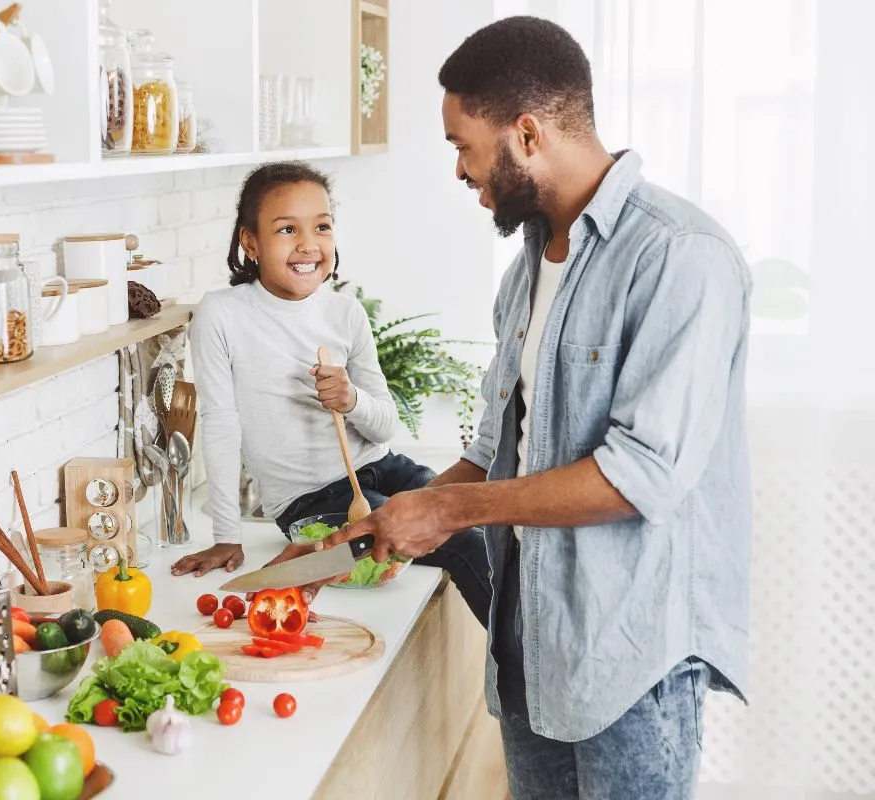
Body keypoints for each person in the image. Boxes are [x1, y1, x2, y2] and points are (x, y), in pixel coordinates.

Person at [325, 16, 752, 800]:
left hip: (632, 657)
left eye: (463, 144)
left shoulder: (679, 257)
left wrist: (449, 508)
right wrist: (403, 513)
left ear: (526, 132)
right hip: (532, 644)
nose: (458, 168)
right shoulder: (524, 272)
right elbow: (497, 448)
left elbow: (639, 478)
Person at [171, 161, 490, 620]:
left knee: (479, 522)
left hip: (383, 469)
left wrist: (351, 400)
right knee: (463, 543)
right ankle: (526, 677)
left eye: (321, 226)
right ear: (250, 242)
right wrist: (228, 535)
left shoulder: (346, 314)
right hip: (310, 500)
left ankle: (528, 665)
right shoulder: (223, 315)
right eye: (286, 229)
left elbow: (385, 424)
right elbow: (220, 425)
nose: (308, 244)